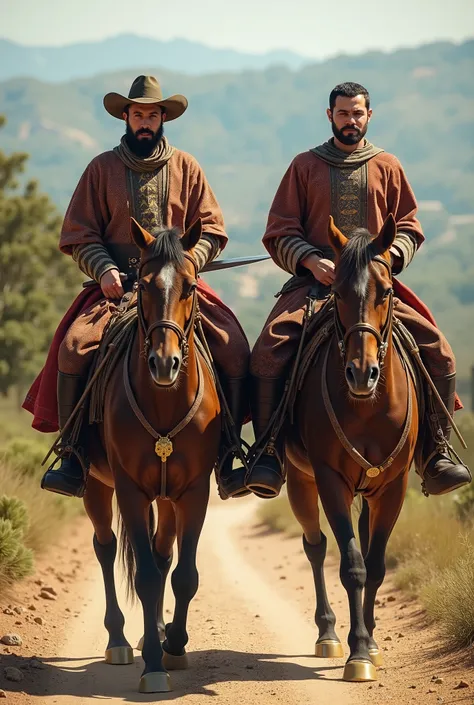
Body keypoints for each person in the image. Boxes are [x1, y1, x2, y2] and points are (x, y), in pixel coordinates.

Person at [238, 81, 471, 499]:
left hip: (375, 289)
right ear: (330, 116)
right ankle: (268, 452)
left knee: (438, 349)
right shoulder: (304, 166)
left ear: (369, 116)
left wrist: (386, 260)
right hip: (316, 287)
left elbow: (410, 227)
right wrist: (311, 259)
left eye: (358, 113)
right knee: (268, 350)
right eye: (343, 113)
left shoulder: (388, 165)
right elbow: (280, 230)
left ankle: (436, 451)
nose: (351, 121)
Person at [27, 75, 250, 498]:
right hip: (116, 288)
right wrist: (103, 269)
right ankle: (73, 455)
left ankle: (230, 454)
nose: (144, 122)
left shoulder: (187, 166)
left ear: (163, 118)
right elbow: (78, 233)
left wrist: (186, 265)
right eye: (137, 114)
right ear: (125, 117)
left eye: (151, 114)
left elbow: (214, 231)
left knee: (234, 345)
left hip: (177, 289)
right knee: (75, 345)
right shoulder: (100, 168)